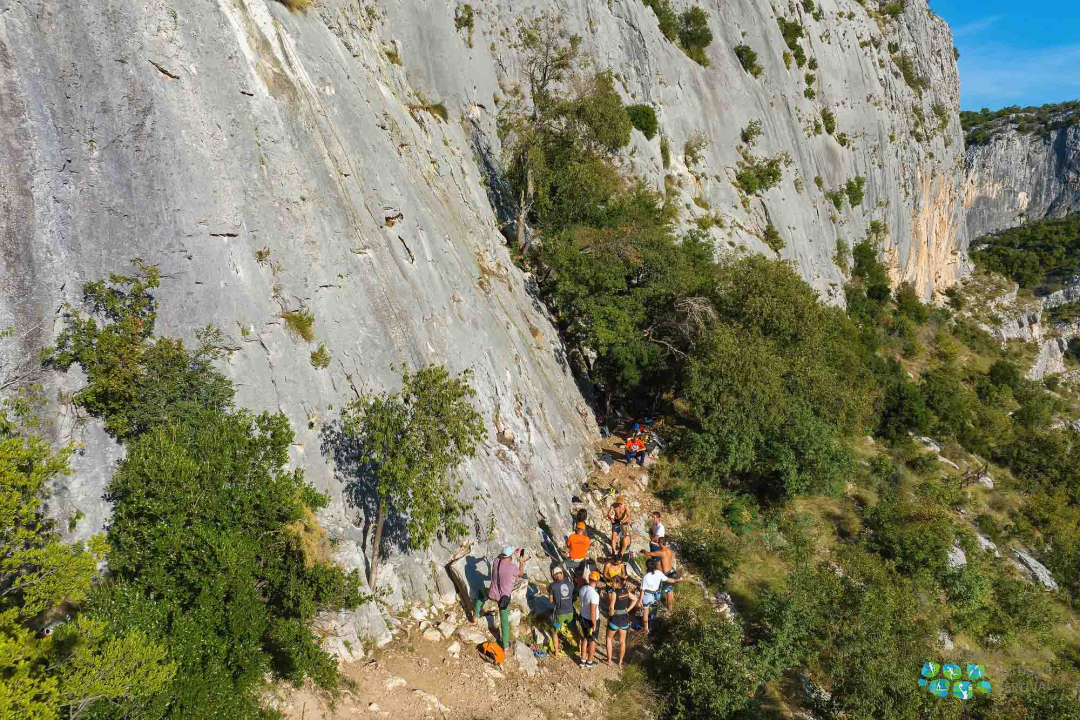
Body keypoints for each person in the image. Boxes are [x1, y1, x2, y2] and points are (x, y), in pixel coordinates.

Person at [474, 546, 524, 649]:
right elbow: (520, 574)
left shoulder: (496, 562)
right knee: (504, 620)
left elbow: (499, 556)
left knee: (481, 593)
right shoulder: (512, 567)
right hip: (503, 599)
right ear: (510, 556)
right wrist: (521, 561)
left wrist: (511, 553)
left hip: (492, 594)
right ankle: (505, 645)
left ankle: (476, 615)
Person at [605, 575, 639, 666]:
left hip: (615, 619)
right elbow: (635, 599)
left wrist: (610, 616)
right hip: (624, 619)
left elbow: (611, 606)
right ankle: (620, 662)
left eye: (612, 582)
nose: (611, 584)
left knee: (608, 638)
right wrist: (627, 610)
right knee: (622, 642)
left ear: (617, 582)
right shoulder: (626, 591)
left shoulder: (614, 593)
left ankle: (609, 660)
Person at [643, 535, 679, 613]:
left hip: (667, 574)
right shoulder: (669, 550)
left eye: (658, 543)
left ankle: (669, 609)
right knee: (670, 591)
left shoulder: (661, 552)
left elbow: (648, 554)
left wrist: (643, 551)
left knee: (667, 592)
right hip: (672, 571)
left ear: (660, 543)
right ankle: (671, 607)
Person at [639, 558, 677, 632]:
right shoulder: (659, 573)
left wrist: (640, 600)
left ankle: (646, 629)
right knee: (654, 610)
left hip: (648, 595)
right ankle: (652, 626)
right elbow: (669, 580)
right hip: (656, 595)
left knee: (645, 613)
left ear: (647, 566)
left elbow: (642, 590)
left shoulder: (646, 576)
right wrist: (677, 580)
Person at [548, 566, 576, 658]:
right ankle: (579, 646)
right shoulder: (571, 584)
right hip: (570, 612)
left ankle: (556, 652)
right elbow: (574, 597)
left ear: (554, 576)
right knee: (574, 630)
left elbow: (551, 601)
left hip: (560, 614)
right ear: (562, 574)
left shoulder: (552, 586)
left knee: (554, 632)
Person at [576, 571, 602, 668]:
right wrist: (594, 624)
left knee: (586, 637)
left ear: (589, 579)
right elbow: (593, 612)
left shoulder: (583, 588)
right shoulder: (594, 595)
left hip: (583, 616)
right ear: (597, 581)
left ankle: (582, 660)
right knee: (592, 641)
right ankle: (589, 662)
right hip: (590, 620)